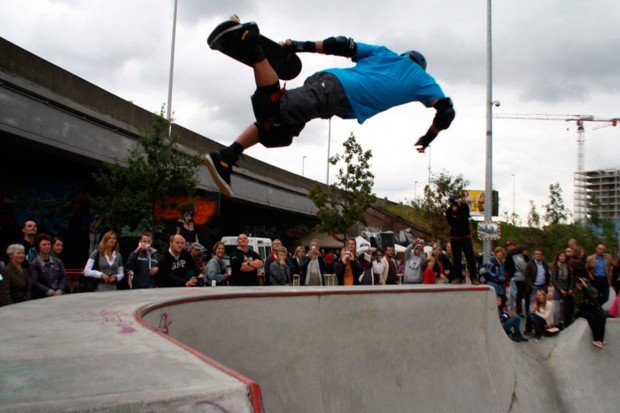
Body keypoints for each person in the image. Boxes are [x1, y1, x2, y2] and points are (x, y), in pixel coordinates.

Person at [204, 21, 454, 197]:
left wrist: (299, 45)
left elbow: (341, 45)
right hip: (334, 92)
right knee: (275, 108)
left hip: (327, 86)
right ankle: (250, 41)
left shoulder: (385, 54)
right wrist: (428, 137)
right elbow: (446, 112)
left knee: (278, 132)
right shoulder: (424, 80)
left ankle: (225, 158)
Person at [445, 195, 478, 284]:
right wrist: (454, 213)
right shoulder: (448, 211)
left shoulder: (464, 207)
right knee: (456, 258)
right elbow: (450, 221)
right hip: (454, 237)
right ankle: (458, 277)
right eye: (452, 203)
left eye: (454, 202)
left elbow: (465, 216)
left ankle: (473, 277)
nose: (453, 204)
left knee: (470, 257)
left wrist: (458, 209)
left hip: (465, 236)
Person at [28, 233, 67, 298]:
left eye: (49, 244)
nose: (47, 246)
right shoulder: (34, 264)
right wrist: (51, 292)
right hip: (42, 297)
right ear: (38, 246)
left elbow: (63, 277)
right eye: (44, 245)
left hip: (59, 295)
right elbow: (35, 282)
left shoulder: (58, 261)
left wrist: (59, 290)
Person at [573, 275, 607, 348]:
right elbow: (578, 302)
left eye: (581, 282)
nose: (579, 284)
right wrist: (579, 290)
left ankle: (600, 339)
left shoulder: (588, 287)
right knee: (592, 318)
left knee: (602, 316)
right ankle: (596, 339)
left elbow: (594, 294)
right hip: (581, 309)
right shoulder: (575, 291)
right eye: (578, 283)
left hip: (592, 307)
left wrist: (585, 286)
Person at [551, 250, 574, 329]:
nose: (562, 257)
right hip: (558, 289)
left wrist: (570, 288)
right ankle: (557, 324)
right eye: (561, 256)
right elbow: (553, 280)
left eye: (564, 256)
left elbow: (571, 278)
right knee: (557, 308)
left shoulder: (568, 265)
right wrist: (560, 289)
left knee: (565, 308)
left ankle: (565, 323)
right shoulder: (555, 266)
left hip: (567, 288)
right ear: (558, 257)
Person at [511, 246, 529, 316]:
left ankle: (519, 309)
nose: (526, 252)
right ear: (522, 251)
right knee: (521, 294)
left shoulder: (516, 258)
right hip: (521, 278)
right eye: (525, 250)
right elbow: (524, 269)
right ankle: (519, 310)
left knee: (520, 293)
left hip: (518, 277)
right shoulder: (520, 259)